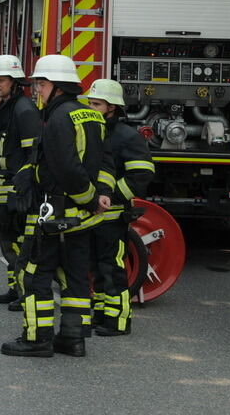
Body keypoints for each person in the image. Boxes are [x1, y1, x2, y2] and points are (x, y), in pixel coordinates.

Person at [2, 54, 109, 359]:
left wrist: (87, 197)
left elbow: (66, 167)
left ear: (56, 86)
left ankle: (37, 339)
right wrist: (99, 195)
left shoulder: (59, 118)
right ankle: (73, 339)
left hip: (56, 211)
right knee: (76, 276)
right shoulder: (92, 115)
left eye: (41, 83)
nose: (37, 89)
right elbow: (104, 162)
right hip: (83, 218)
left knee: (34, 274)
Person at [84, 79, 155, 337]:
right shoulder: (94, 130)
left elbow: (142, 175)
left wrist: (111, 199)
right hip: (93, 213)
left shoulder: (127, 137)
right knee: (97, 267)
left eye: (96, 103)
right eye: (90, 103)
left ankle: (120, 321)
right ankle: (102, 315)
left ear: (112, 107)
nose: (91, 108)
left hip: (112, 215)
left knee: (113, 268)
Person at [0, 55, 38, 307]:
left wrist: (23, 188)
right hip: (0, 186)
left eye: (1, 80)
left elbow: (33, 154)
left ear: (15, 82)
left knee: (17, 242)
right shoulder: (6, 106)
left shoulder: (24, 110)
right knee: (7, 240)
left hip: (14, 188)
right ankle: (15, 289)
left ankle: (26, 293)